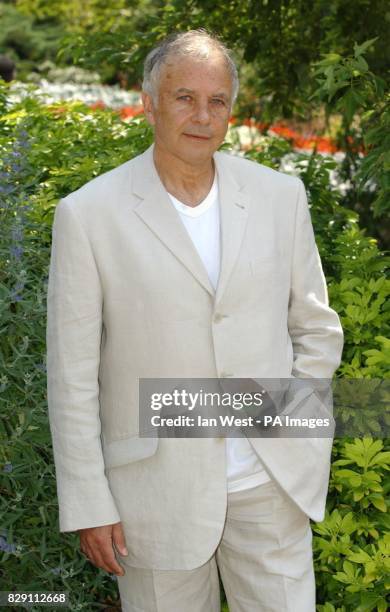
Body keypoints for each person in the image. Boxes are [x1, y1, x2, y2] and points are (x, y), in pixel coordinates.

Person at [46, 29, 344, 612]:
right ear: (150, 103)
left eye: (218, 101)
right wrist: (90, 501)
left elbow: (315, 330)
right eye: (184, 97)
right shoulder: (88, 215)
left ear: (232, 109)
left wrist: (295, 438)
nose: (202, 116)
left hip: (270, 486)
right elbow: (72, 375)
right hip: (152, 498)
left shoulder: (280, 197)